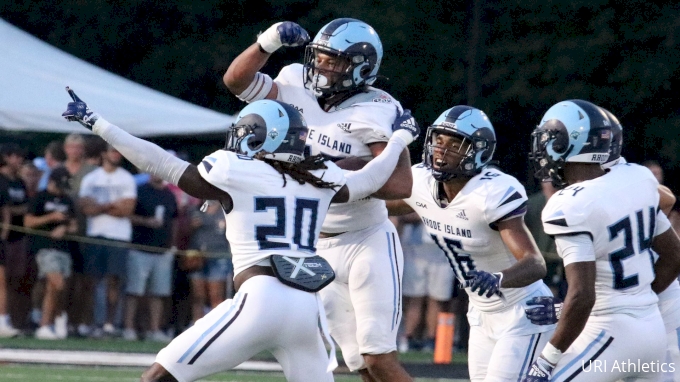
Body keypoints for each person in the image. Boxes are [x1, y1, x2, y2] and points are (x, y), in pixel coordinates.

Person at [62, 90, 419, 381]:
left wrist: (100, 125)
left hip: (260, 298)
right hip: (307, 307)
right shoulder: (321, 176)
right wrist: (400, 137)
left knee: (158, 377)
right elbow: (373, 178)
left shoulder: (236, 170)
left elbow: (160, 163)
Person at [223, 18, 415, 382]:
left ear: (361, 66)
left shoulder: (378, 107)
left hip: (364, 239)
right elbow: (237, 82)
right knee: (358, 363)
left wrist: (337, 173)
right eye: (320, 56)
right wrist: (266, 43)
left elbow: (401, 184)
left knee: (379, 360)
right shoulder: (294, 79)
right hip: (313, 245)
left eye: (334, 60)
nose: (321, 66)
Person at [386, 105, 554, 381]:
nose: (442, 149)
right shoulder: (421, 182)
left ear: (479, 151)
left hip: (522, 311)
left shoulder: (491, 193)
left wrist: (498, 278)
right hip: (480, 313)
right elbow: (374, 200)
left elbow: (535, 264)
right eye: (439, 140)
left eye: (455, 144)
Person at [520, 100, 680, 382]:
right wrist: (638, 301)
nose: (543, 148)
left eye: (549, 139)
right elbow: (674, 255)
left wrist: (546, 361)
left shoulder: (567, 205)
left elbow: (583, 296)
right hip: (653, 328)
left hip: (611, 332)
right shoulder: (638, 177)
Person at [78, 144, 137, 337]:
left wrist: (99, 207)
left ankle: (109, 324)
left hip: (118, 236)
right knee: (90, 281)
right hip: (95, 234)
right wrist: (112, 205)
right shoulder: (91, 178)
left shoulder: (127, 178)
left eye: (119, 151)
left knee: (114, 281)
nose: (116, 154)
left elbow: (127, 210)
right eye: (113, 151)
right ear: (104, 153)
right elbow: (85, 208)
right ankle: (87, 322)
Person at [123, 174, 178, 342]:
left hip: (162, 250)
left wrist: (173, 243)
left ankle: (154, 330)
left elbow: (174, 220)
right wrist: (146, 222)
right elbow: (128, 215)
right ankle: (129, 328)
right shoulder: (140, 191)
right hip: (139, 247)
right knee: (134, 291)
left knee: (158, 293)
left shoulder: (169, 195)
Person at [24, 167, 77, 339]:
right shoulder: (40, 197)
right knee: (57, 283)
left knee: (57, 288)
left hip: (64, 249)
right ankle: (46, 323)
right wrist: (51, 218)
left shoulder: (67, 200)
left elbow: (74, 225)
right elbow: (28, 222)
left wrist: (64, 227)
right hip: (44, 248)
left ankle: (51, 321)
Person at [395, 214, 454, 353]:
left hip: (443, 252)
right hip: (415, 251)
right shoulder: (415, 193)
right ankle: (408, 338)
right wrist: (428, 213)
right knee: (414, 299)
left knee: (437, 300)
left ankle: (431, 339)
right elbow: (402, 215)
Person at [0, 143, 32, 331]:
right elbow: (6, 209)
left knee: (15, 280)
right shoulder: (1, 181)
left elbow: (25, 206)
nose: (19, 161)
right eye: (16, 157)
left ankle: (12, 318)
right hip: (6, 237)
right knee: (2, 281)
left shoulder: (19, 182)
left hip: (19, 236)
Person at [187, 201, 233, 324]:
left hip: (219, 255)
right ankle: (196, 324)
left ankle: (216, 325)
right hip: (197, 255)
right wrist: (190, 226)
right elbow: (183, 232)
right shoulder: (195, 209)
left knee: (216, 295)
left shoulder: (226, 211)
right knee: (197, 296)